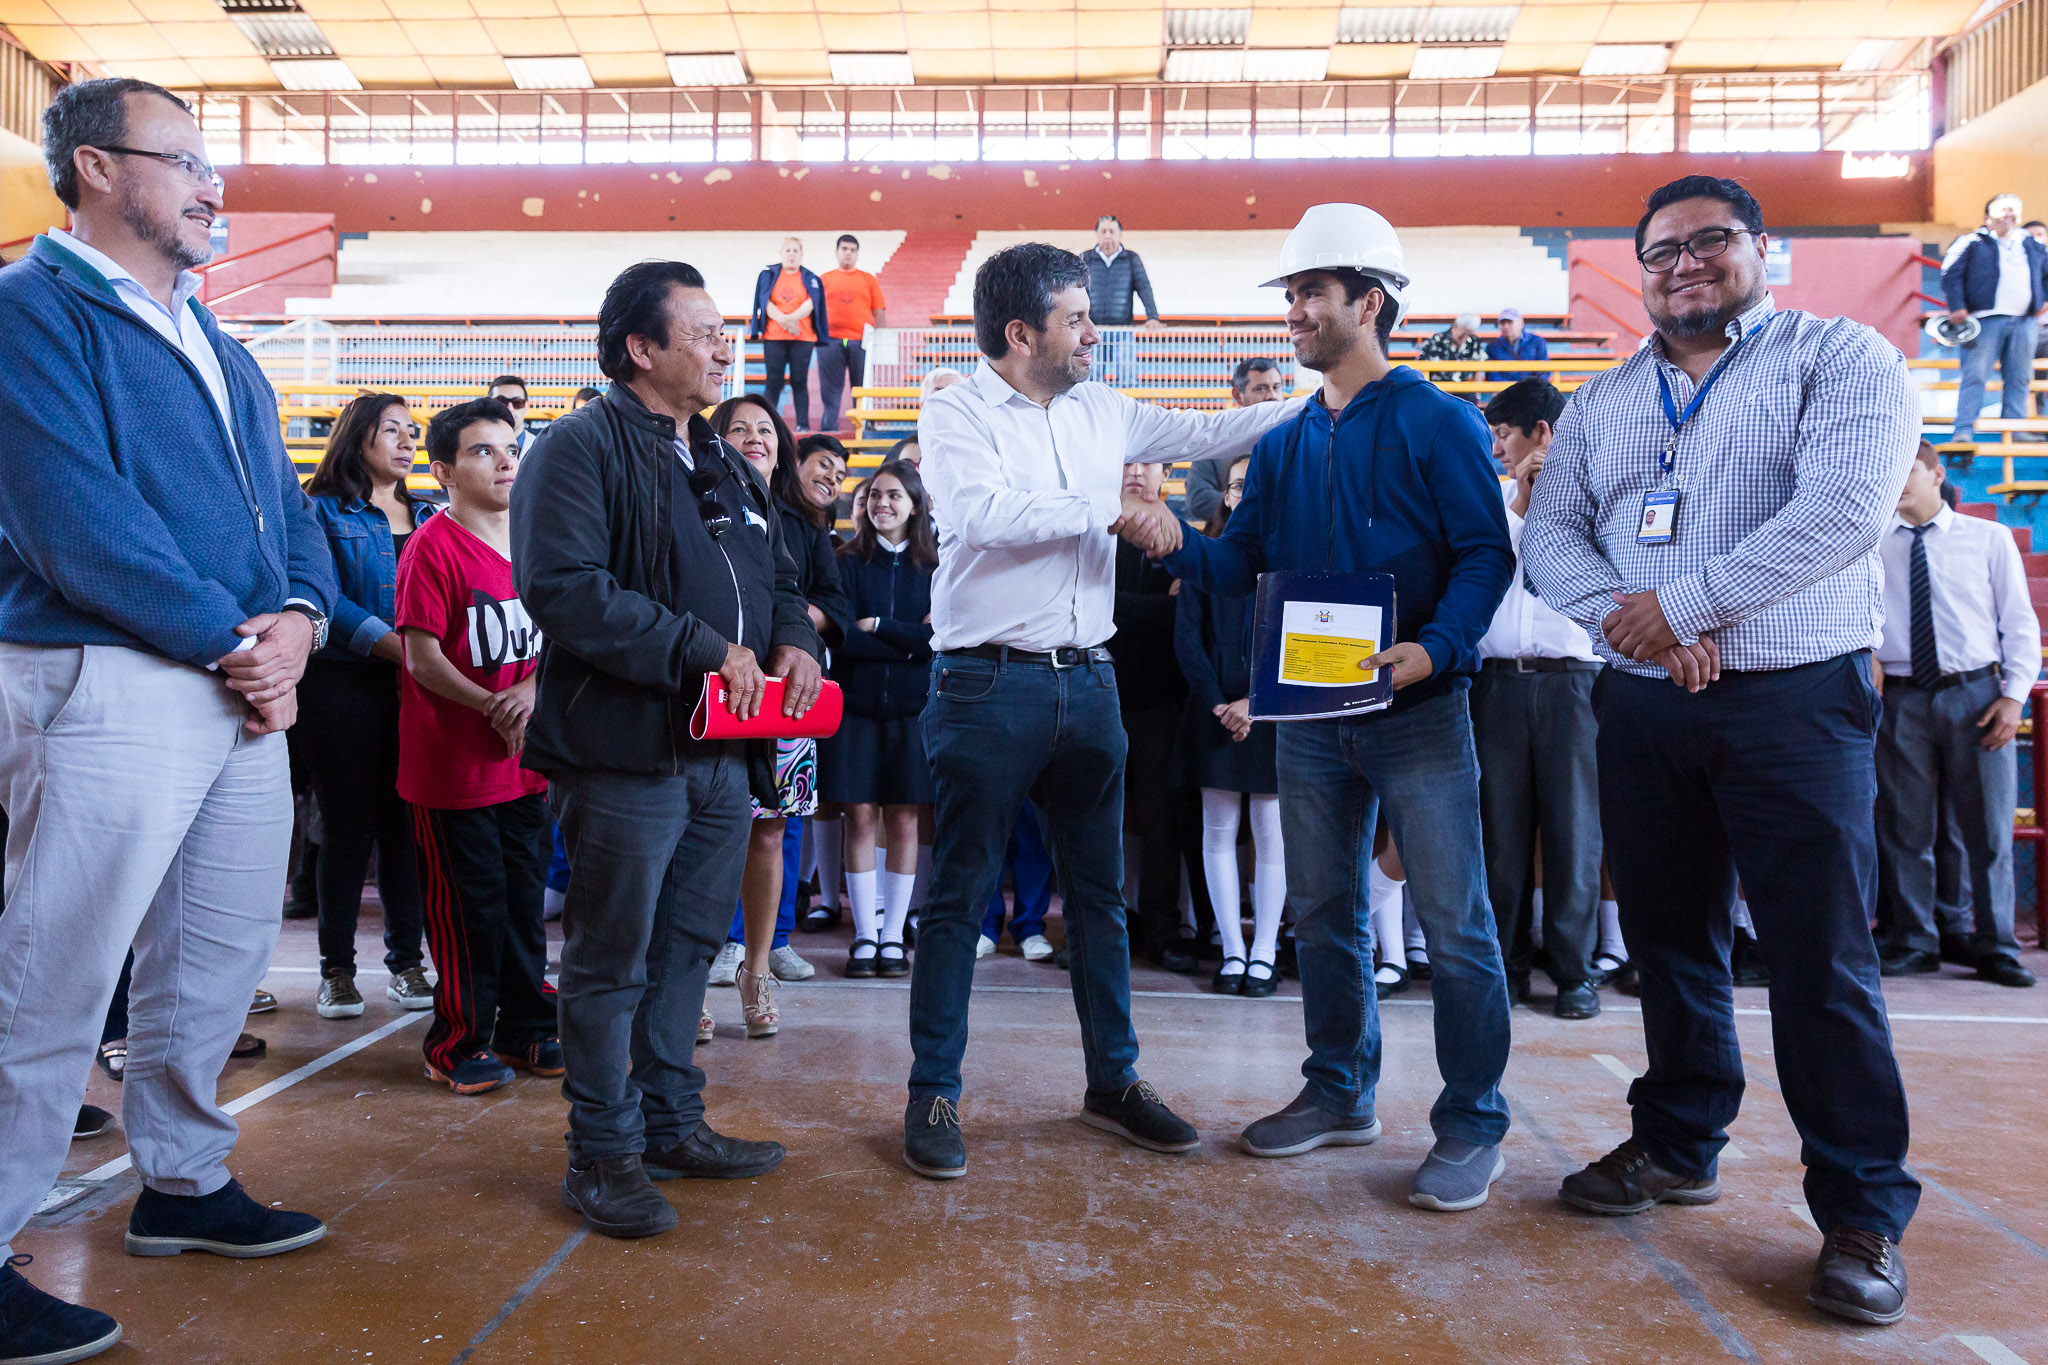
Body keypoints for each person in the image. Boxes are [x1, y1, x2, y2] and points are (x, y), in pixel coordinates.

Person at [1521, 174, 1922, 1326]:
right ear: (1637, 269)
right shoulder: (1603, 402)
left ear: (1760, 248)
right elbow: (1551, 532)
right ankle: (1677, 1142)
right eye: (1660, 250)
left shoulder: (1837, 358)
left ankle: (1859, 1212)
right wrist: (1623, 616)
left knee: (1818, 955)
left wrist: (1686, 603)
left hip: (1793, 698)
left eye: (1708, 242)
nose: (1682, 263)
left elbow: (1845, 508)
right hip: (1645, 702)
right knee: (1666, 939)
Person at [0, 76, 336, 1363]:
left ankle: (185, 1183)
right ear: (94, 168)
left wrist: (300, 617)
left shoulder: (216, 335)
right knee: (54, 970)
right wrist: (234, 642)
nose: (214, 187)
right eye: (186, 161)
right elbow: (69, 518)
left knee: (211, 958)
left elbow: (286, 517)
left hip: (240, 677)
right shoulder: (33, 314)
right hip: (113, 669)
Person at [904, 241, 1297, 1181]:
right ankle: (933, 1089)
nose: (1095, 330)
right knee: (960, 899)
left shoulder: (1101, 407)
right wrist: (1104, 507)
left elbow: (1208, 434)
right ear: (1020, 331)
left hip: (1090, 682)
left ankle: (1113, 1080)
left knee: (1100, 900)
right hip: (985, 682)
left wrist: (1330, 398)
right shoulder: (955, 406)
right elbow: (977, 514)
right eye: (1078, 317)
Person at [1160, 203, 1516, 1214]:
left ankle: (1470, 1122)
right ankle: (1337, 1090)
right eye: (1291, 294)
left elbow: (1486, 554)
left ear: (1369, 300)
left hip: (1417, 710)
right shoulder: (1281, 440)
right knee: (1321, 915)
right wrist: (1169, 542)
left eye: (1312, 292)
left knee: (1455, 926)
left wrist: (1434, 649)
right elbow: (1237, 563)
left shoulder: (1434, 419)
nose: (1296, 312)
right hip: (1311, 714)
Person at [513, 260, 823, 1239]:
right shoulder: (577, 448)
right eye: (700, 331)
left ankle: (670, 1124)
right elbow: (562, 589)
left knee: (691, 943)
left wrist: (795, 641)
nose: (722, 344)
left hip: (721, 758)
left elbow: (776, 567)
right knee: (611, 962)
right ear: (640, 348)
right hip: (623, 755)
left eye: (722, 328)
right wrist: (701, 649)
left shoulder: (720, 456)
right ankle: (601, 1156)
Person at [397, 397, 556, 1094]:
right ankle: (456, 1040)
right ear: (444, 472)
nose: (504, 461)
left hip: (527, 763)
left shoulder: (539, 539)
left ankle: (525, 1025)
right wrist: (494, 702)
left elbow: (567, 638)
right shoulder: (432, 546)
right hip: (453, 768)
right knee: (470, 907)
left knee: (524, 898)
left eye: (509, 447)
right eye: (482, 451)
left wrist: (533, 695)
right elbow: (422, 658)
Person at [1874, 442, 2039, 988]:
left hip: (1975, 694)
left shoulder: (1986, 539)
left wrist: (2013, 696)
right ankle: (1914, 939)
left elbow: (2018, 622)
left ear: (1937, 474)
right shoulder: (1872, 545)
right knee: (1905, 828)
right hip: (1900, 695)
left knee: (1987, 829)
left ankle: (1996, 946)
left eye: (1909, 470)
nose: (1897, 481)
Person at [704, 402, 847, 1028]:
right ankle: (689, 973)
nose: (754, 439)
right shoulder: (695, 499)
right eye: (739, 428)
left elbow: (824, 601)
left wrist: (797, 641)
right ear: (714, 441)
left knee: (769, 832)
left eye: (766, 430)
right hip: (708, 688)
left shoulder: (800, 519)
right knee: (696, 835)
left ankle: (757, 970)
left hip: (785, 695)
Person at [1470, 380, 1605, 1019]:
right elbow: (1491, 567)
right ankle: (1506, 963)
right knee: (1500, 832)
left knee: (1575, 833)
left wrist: (1549, 499)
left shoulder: (1599, 499)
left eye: (1503, 434)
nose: (1496, 447)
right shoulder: (1492, 501)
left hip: (1574, 683)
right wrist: (1524, 501)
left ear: (1542, 433)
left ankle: (1575, 972)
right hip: (1497, 681)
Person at [301, 393, 435, 1020]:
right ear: (359, 438)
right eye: (393, 431)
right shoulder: (322, 509)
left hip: (420, 686)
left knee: (406, 825)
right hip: (345, 684)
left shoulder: (433, 513)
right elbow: (321, 598)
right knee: (347, 827)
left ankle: (407, 964)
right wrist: (395, 649)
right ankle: (336, 971)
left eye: (413, 432)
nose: (408, 442)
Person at [1174, 455, 1286, 996]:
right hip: (1215, 714)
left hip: (1271, 714)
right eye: (1238, 485)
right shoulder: (1207, 557)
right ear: (1225, 495)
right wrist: (1222, 703)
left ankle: (1264, 951)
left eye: (1255, 486)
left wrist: (1255, 703)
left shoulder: (1291, 555)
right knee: (1216, 835)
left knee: (1272, 838)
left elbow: (1299, 645)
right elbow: (1188, 640)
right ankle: (1232, 950)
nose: (1245, 494)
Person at [823, 460, 937, 978]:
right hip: (857, 711)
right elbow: (843, 637)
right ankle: (865, 936)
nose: (882, 504)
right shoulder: (845, 562)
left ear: (914, 504)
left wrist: (881, 626)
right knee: (861, 818)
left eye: (894, 496)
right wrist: (903, 640)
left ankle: (895, 937)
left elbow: (936, 642)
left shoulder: (937, 567)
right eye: (874, 497)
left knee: (906, 820)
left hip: (913, 713)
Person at [1111, 460, 1200, 971]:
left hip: (1163, 699)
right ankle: (1111, 923)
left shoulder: (1182, 534)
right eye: (1128, 462)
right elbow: (1084, 605)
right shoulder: (1093, 525)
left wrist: (1114, 607)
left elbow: (1184, 612)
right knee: (1096, 818)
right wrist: (1147, 607)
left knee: (1163, 819)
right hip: (1097, 692)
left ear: (1165, 474)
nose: (1137, 473)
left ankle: (1165, 927)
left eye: (1149, 463)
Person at [1941, 194, 2048, 443]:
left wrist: (2042, 301)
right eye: (2002, 210)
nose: (2008, 215)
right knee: (1975, 375)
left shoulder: (2031, 244)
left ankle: (2016, 430)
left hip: (2023, 321)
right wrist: (1957, 306)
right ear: (1987, 217)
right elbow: (1951, 274)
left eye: (2013, 210)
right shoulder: (1971, 242)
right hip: (1984, 320)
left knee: (2020, 377)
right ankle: (1964, 431)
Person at [1185, 358, 1286, 524]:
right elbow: (1198, 497)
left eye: (1276, 387)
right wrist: (1253, 508)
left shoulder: (1300, 438)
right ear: (1238, 395)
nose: (1272, 396)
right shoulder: (1217, 439)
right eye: (1261, 389)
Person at [749, 236, 828, 433]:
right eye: (788, 250)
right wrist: (787, 323)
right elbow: (764, 302)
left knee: (799, 382)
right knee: (773, 382)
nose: (791, 254)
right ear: (781, 254)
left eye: (795, 251)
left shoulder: (810, 278)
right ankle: (766, 424)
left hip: (802, 338)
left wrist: (791, 321)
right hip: (774, 337)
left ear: (801, 255)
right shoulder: (768, 276)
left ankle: (803, 424)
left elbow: (811, 303)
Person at [817, 233, 887, 434]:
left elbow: (879, 311)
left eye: (852, 250)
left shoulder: (869, 280)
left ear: (857, 254)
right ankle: (829, 428)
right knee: (830, 389)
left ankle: (866, 425)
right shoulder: (824, 279)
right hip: (830, 341)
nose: (848, 253)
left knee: (863, 386)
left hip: (861, 342)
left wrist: (878, 341)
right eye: (844, 249)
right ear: (837, 252)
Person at [1082, 215, 1163, 385]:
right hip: (1093, 331)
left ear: (1120, 234)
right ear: (1097, 234)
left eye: (1112, 231)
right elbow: (1073, 291)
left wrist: (1153, 317)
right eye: (1103, 231)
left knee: (1128, 379)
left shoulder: (1132, 259)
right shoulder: (1085, 258)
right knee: (1091, 380)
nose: (1108, 235)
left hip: (1124, 330)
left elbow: (1144, 288)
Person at [1419, 312, 1486, 386]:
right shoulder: (1436, 340)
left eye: (1469, 334)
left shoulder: (1474, 341)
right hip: (1438, 387)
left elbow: (1479, 369)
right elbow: (1422, 366)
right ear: (1455, 325)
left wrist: (1477, 393)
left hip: (1463, 388)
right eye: (1463, 334)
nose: (1465, 338)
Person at [1484, 307, 1549, 383]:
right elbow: (1492, 374)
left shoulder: (1537, 342)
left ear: (1521, 323)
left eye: (1510, 322)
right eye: (1502, 323)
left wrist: (1532, 386)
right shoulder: (1492, 347)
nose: (1506, 326)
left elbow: (1543, 371)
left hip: (1532, 389)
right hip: (1504, 390)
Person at [488, 374, 534, 453]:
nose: (509, 408)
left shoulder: (543, 448)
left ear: (526, 406)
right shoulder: (474, 446)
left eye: (517, 402)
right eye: (501, 402)